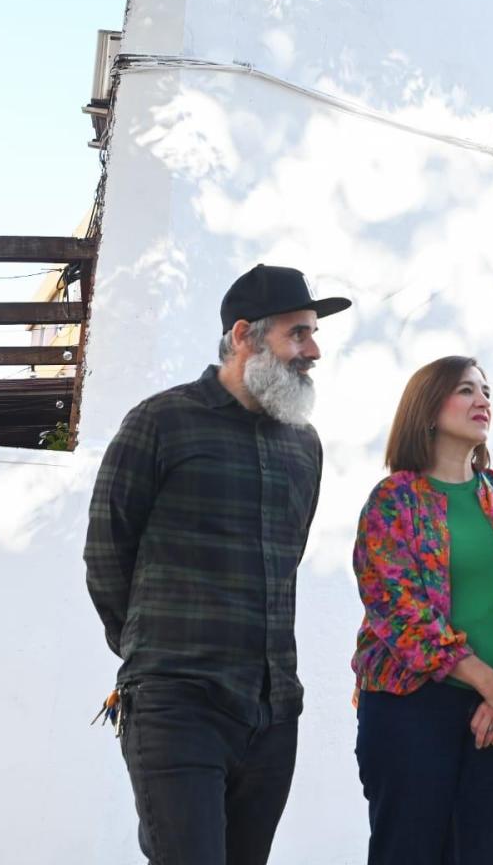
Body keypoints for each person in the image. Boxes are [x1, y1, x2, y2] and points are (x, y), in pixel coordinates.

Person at [84, 263, 351, 864]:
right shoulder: (160, 422)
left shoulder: (303, 447)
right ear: (243, 336)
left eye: (312, 333)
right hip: (178, 706)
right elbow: (106, 550)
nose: (314, 350)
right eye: (299, 333)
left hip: (274, 711)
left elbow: (287, 561)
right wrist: (154, 654)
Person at [351, 356, 493, 864]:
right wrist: (488, 682)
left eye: (486, 391)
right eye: (466, 390)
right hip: (411, 710)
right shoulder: (392, 501)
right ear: (428, 407)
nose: (483, 400)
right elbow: (400, 613)